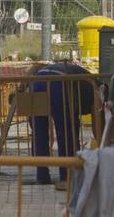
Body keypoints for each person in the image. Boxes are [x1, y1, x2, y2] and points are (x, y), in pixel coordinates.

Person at [29, 60, 99, 188]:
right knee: (67, 132)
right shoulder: (94, 85)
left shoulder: (85, 78)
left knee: (39, 133)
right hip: (60, 82)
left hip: (37, 81)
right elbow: (96, 123)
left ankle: (42, 175)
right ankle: (67, 175)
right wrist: (100, 141)